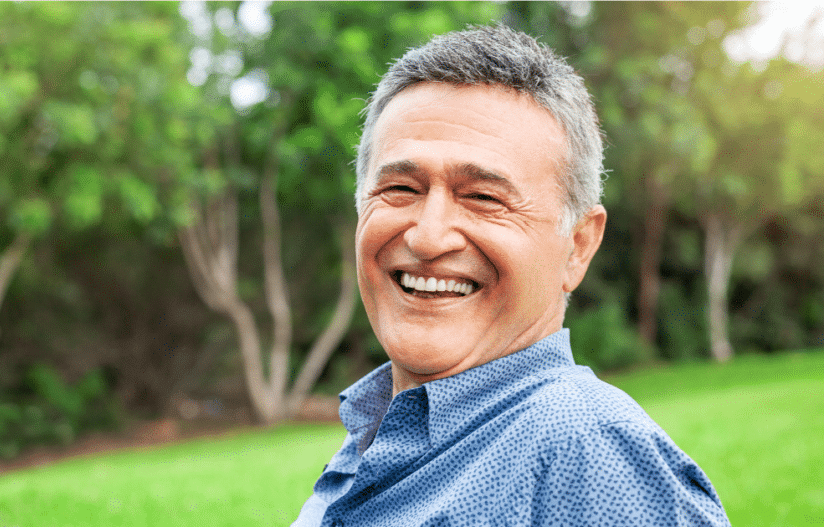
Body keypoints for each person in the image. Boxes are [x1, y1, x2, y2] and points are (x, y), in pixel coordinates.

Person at [292, 24, 730, 527]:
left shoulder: (590, 454)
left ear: (578, 246)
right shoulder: (374, 431)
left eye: (483, 197)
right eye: (401, 188)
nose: (428, 237)